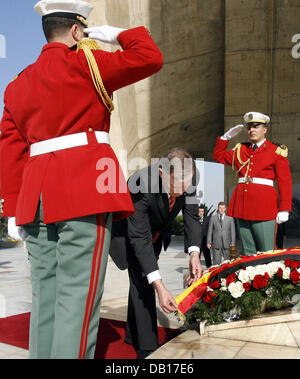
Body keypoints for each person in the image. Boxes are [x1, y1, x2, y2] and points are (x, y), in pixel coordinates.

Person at [0, 0, 164, 359]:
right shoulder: (90, 64)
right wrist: (119, 34)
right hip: (84, 193)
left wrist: (12, 209)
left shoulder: (17, 84)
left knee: (45, 295)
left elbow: (11, 151)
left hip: (36, 199)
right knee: (78, 295)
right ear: (77, 31)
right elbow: (150, 57)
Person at [109, 148, 202, 359]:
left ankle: (133, 334)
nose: (183, 190)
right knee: (144, 280)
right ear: (162, 174)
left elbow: (191, 215)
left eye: (186, 185)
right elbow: (139, 239)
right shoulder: (140, 185)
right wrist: (159, 285)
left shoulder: (188, 175)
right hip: (129, 234)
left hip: (157, 233)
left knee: (139, 282)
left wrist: (194, 253)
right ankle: (148, 347)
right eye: (177, 186)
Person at [213, 111, 292, 255]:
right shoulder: (240, 150)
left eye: (256, 126)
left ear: (265, 129)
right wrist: (225, 138)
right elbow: (218, 156)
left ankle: (267, 278)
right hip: (242, 206)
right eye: (249, 127)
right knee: (248, 253)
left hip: (264, 207)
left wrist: (285, 208)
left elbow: (284, 181)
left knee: (266, 252)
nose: (252, 130)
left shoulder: (276, 151)